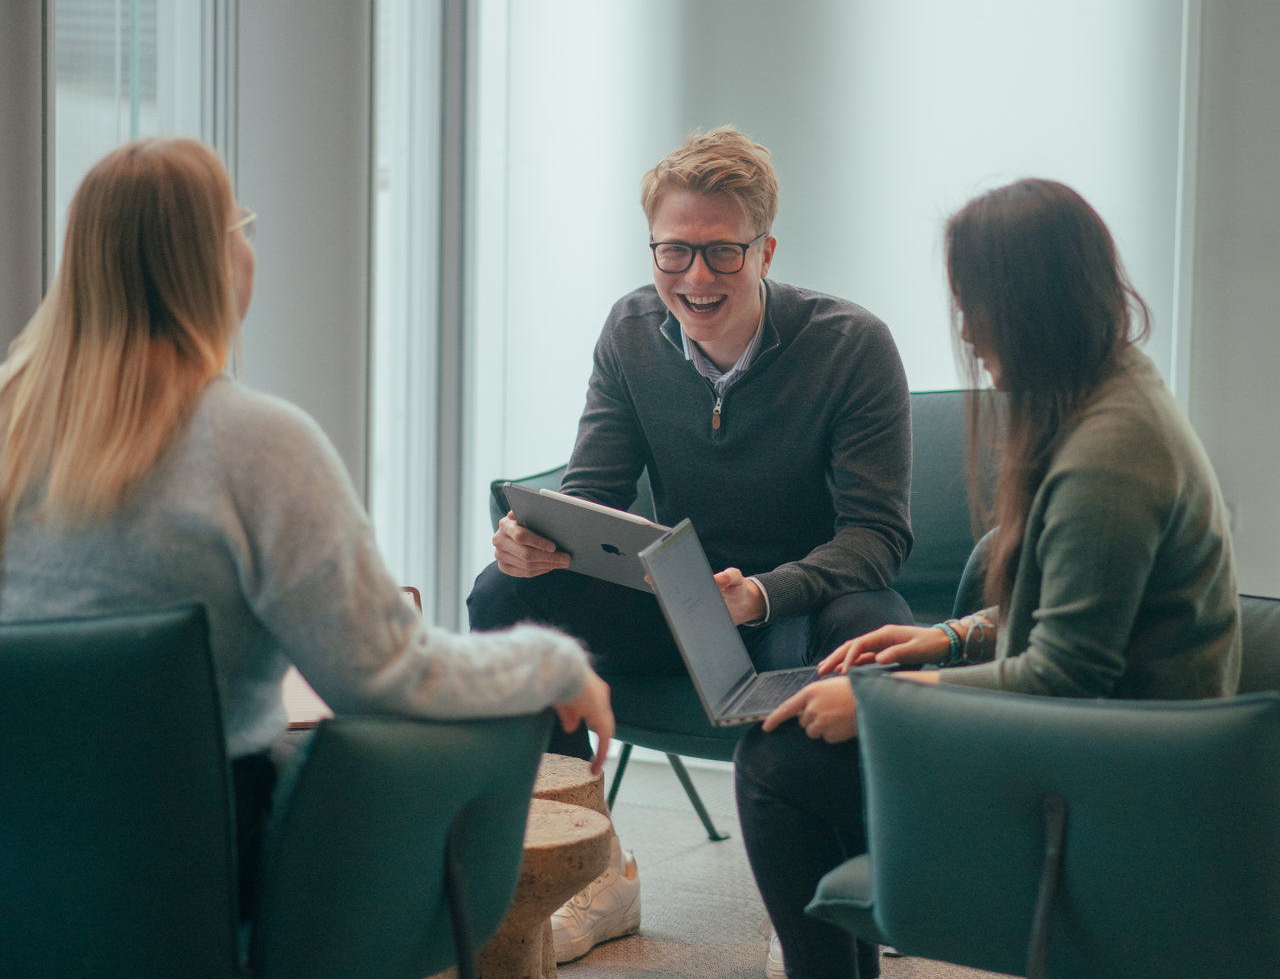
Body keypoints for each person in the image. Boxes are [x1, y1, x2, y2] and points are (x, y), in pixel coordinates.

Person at [0, 138, 615, 920]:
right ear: (212, 260)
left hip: (19, 857)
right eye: (241, 226)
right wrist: (555, 664)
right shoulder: (256, 445)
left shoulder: (11, 421)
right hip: (191, 870)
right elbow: (389, 678)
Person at [735, 178, 1241, 979]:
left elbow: (1067, 675)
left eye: (976, 307)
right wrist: (945, 638)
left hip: (1117, 783)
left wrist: (883, 703)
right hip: (1116, 746)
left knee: (775, 765)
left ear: (1031, 306)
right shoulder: (1109, 388)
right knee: (797, 747)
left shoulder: (1108, 456)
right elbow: (1084, 605)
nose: (967, 332)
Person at [466, 126, 916, 963]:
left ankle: (829, 895)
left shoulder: (851, 345)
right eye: (673, 252)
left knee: (872, 627)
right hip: (673, 609)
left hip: (795, 612)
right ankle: (595, 866)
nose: (696, 278)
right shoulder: (631, 329)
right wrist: (536, 541)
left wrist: (762, 593)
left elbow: (877, 535)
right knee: (500, 594)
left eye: (722, 253)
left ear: (766, 250)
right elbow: (593, 493)